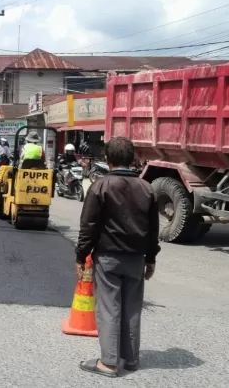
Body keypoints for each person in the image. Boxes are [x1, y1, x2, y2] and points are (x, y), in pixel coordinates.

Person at [76, 137, 160, 378]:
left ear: (107, 158)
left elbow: (88, 225)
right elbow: (154, 229)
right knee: (132, 308)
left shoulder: (101, 186)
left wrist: (81, 255)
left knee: (109, 307)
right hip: (136, 259)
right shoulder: (147, 188)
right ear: (132, 159)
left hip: (108, 258)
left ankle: (110, 363)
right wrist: (151, 258)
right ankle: (131, 358)